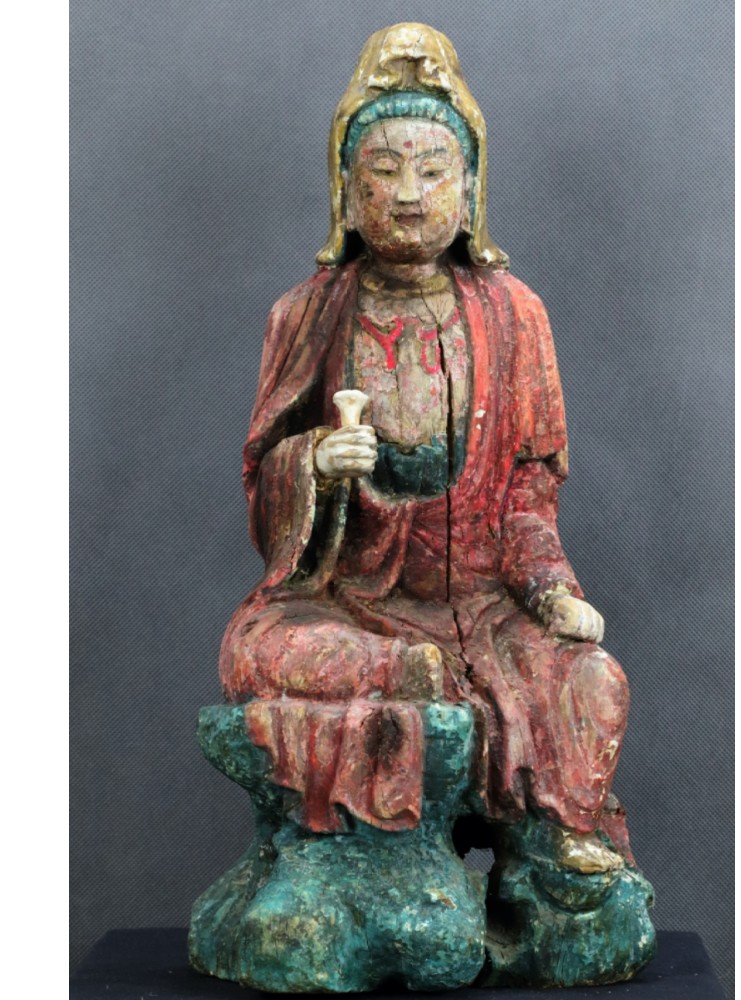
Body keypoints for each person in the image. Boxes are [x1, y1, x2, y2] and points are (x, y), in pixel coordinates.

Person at [220, 22, 633, 871]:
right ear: (345, 193)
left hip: (482, 604)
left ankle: (554, 847)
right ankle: (401, 703)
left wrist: (550, 592)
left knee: (593, 680)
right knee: (258, 655)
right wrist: (313, 466)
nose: (408, 194)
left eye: (434, 170)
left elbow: (527, 497)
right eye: (382, 170)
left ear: (470, 190)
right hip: (344, 604)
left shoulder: (514, 315)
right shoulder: (304, 315)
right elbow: (264, 498)